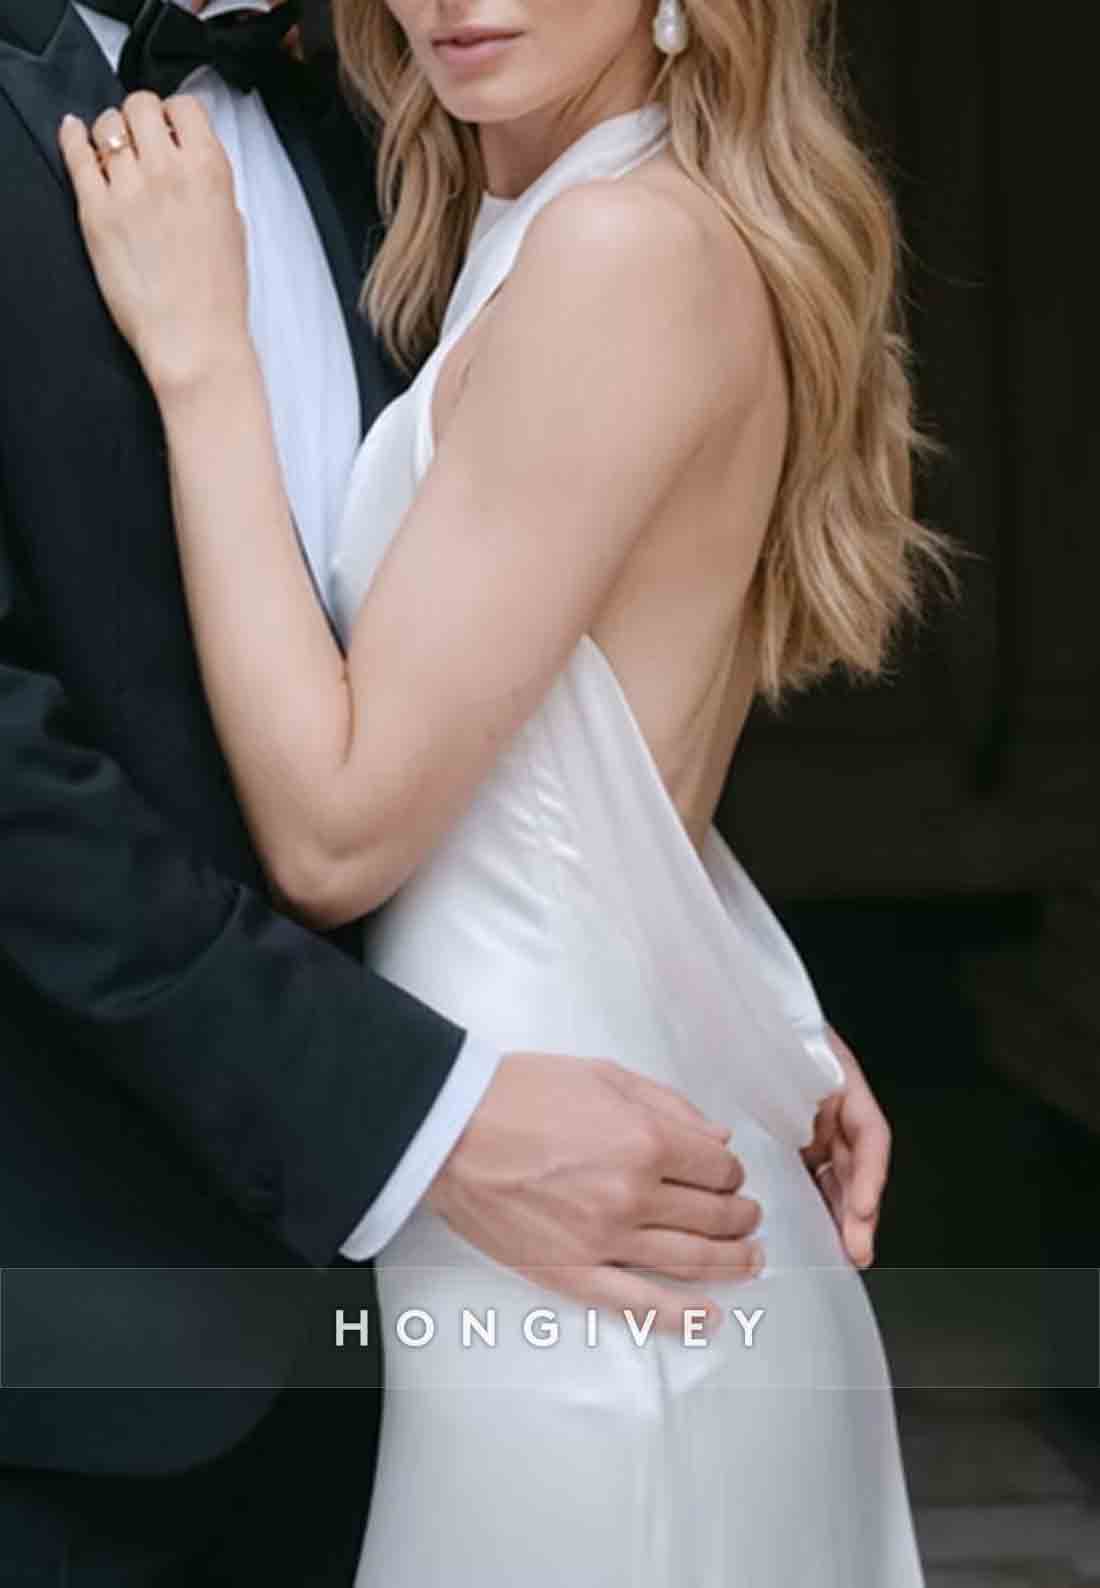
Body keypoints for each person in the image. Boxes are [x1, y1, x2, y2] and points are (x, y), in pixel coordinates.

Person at [58, 0, 936, 1578]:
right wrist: (748, 1001)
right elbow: (585, 745)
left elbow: (335, 831)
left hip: (584, 1247)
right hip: (582, 1180)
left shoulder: (618, 251)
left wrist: (202, 359)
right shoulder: (508, 225)